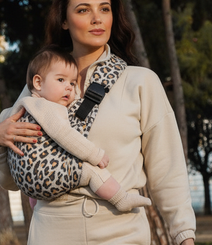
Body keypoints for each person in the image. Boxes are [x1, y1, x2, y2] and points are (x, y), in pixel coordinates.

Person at [0, 0, 204, 245]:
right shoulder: (37, 92)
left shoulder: (140, 82)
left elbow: (167, 169)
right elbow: (14, 179)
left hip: (120, 230)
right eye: (84, 9)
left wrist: (185, 240)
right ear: (63, 20)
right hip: (53, 234)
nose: (96, 18)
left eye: (104, 9)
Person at [8, 45, 152, 212]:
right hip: (45, 174)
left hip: (26, 180)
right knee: (90, 170)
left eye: (72, 82)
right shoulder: (47, 107)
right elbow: (65, 135)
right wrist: (94, 154)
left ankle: (36, 205)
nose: (69, 87)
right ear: (38, 82)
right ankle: (121, 199)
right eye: (61, 80)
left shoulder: (24, 106)